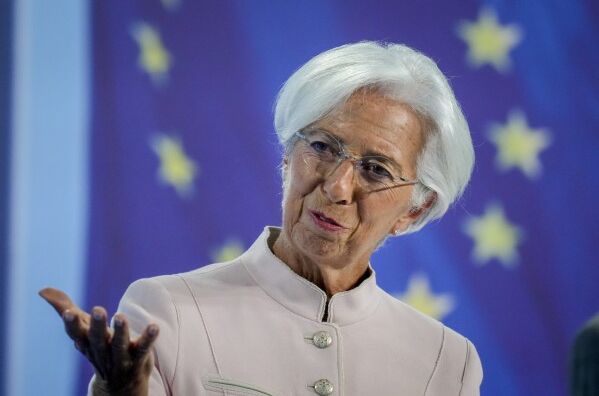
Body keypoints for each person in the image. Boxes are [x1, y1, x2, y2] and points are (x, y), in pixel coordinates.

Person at [41, 41, 483, 396]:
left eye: (375, 169)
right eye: (323, 147)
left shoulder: (447, 362)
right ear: (288, 157)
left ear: (415, 209)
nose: (336, 187)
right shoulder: (168, 311)